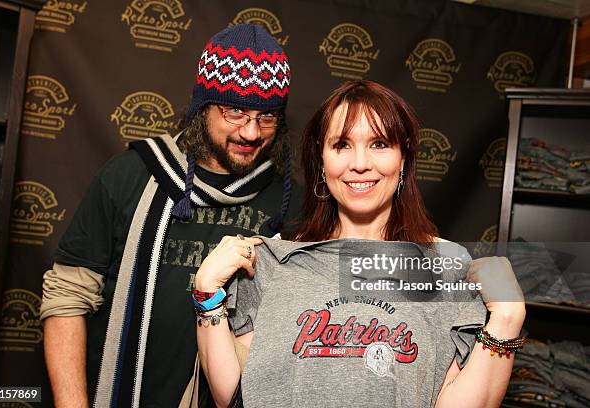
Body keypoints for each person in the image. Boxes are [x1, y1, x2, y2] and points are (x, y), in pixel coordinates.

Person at [193, 80, 526, 407]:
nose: (360, 163)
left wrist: (507, 319)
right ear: (322, 162)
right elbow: (233, 395)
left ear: (403, 158)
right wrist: (207, 293)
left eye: (379, 144)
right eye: (341, 145)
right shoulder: (274, 266)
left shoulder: (445, 268)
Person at [40, 24, 301, 408]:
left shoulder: (289, 203)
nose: (251, 132)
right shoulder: (132, 174)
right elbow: (67, 297)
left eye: (267, 117)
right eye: (235, 111)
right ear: (202, 106)